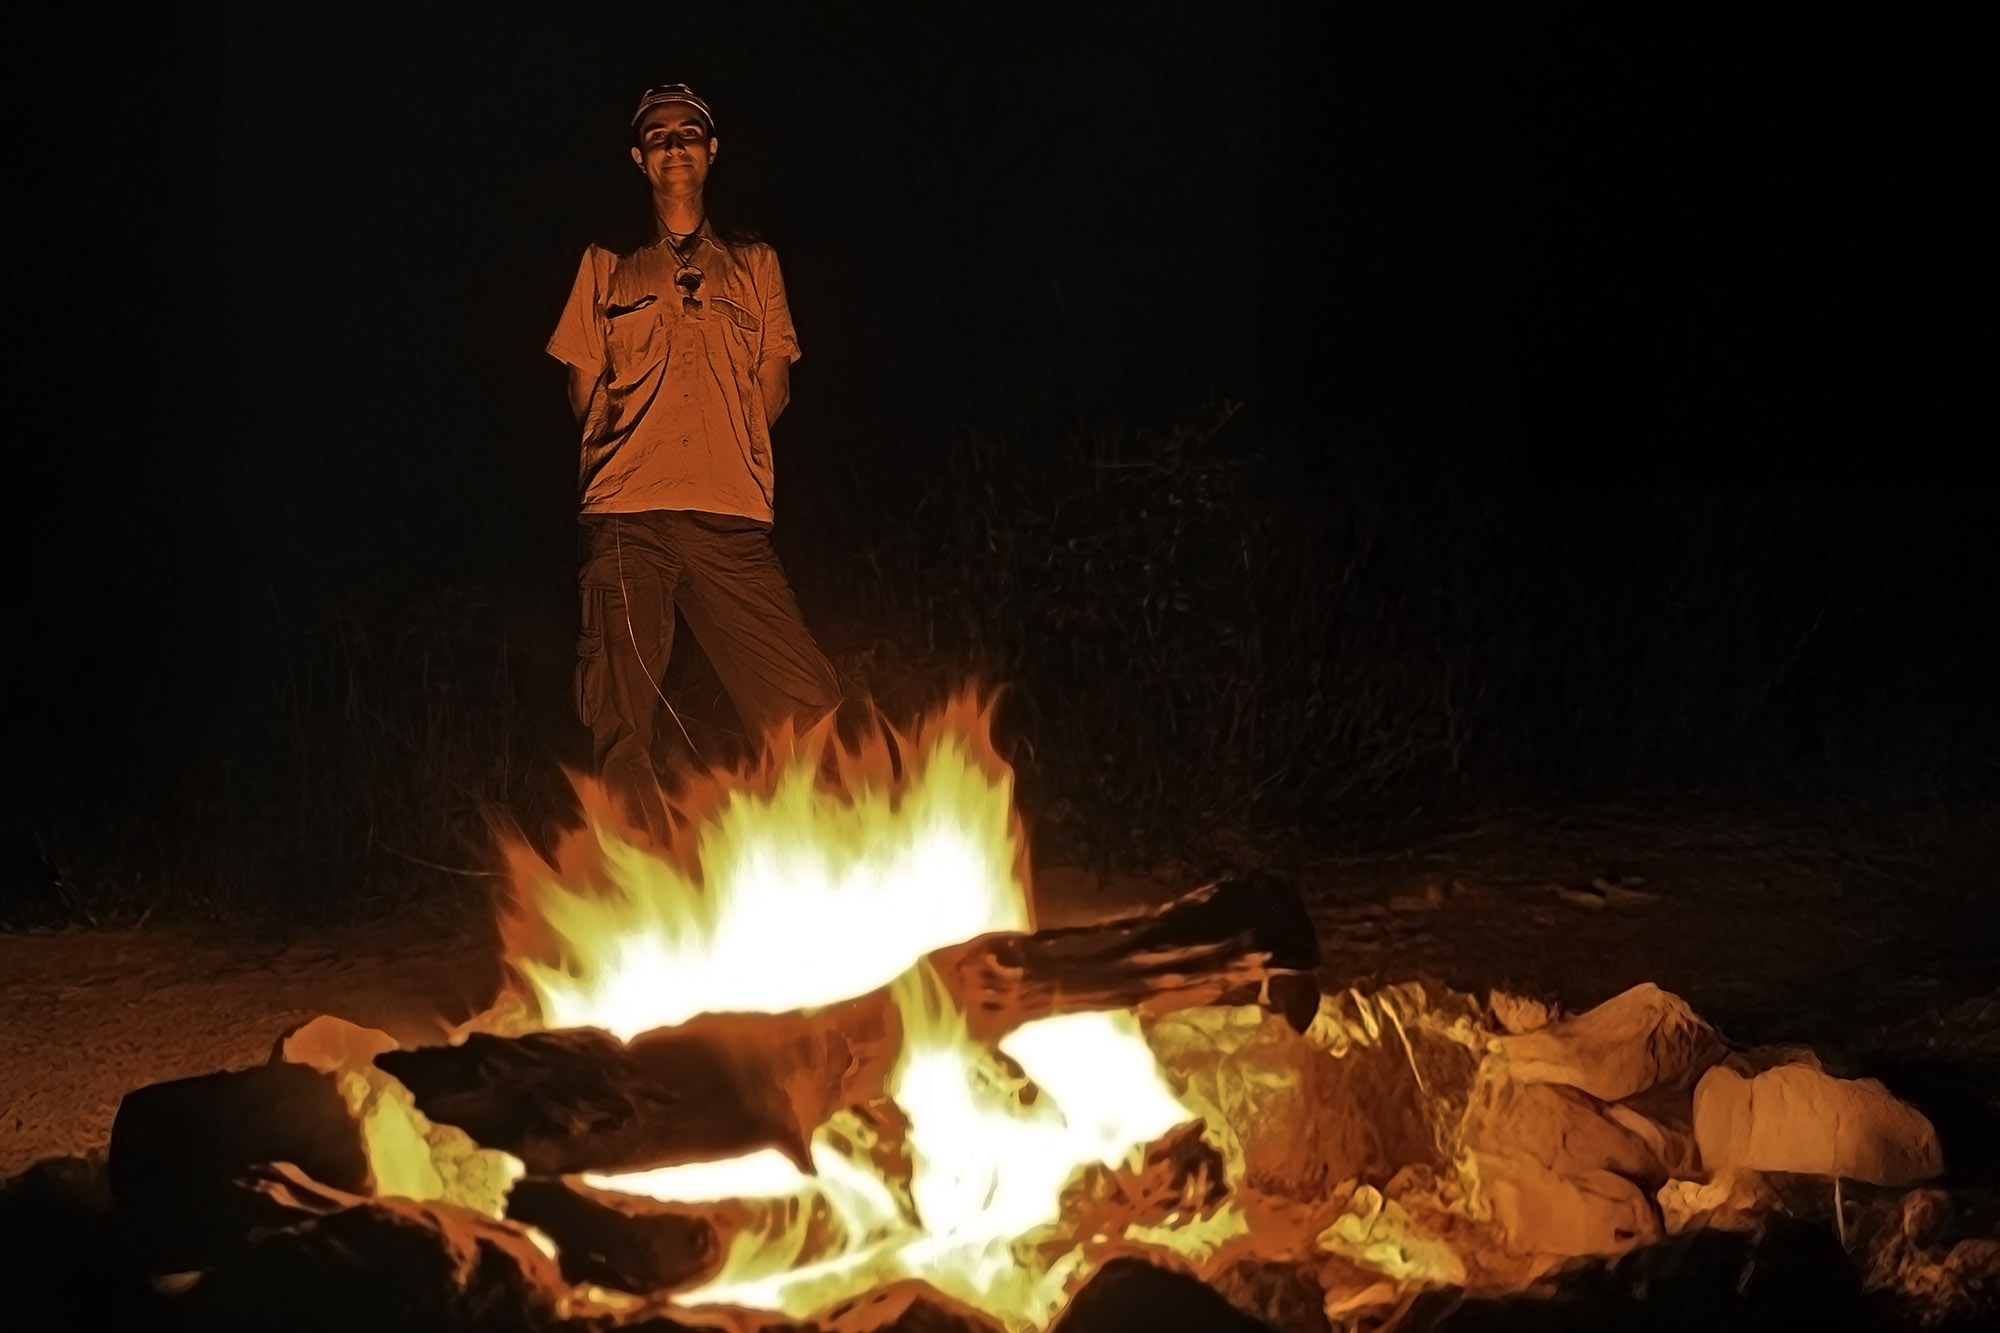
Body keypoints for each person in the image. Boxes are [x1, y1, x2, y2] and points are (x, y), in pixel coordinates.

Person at [546, 83, 840, 827]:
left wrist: (716, 439)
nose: (675, 146)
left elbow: (772, 391)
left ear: (711, 151)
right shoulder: (606, 263)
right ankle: (641, 898)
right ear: (639, 159)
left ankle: (797, 861)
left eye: (689, 133)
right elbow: (584, 391)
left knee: (805, 700)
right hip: (625, 517)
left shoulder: (755, 264)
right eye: (659, 135)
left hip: (730, 519)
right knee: (621, 726)